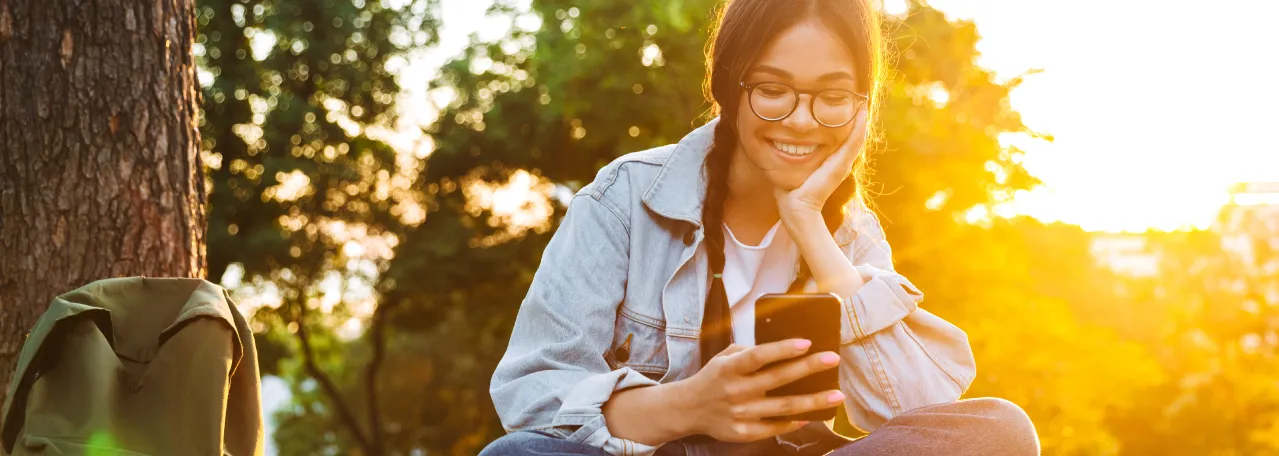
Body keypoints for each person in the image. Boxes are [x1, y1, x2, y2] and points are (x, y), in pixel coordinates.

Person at [479, 0, 1039, 454]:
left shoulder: (851, 234)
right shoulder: (625, 197)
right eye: (772, 89)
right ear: (729, 86)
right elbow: (531, 388)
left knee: (1000, 432)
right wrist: (689, 407)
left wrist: (808, 225)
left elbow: (916, 414)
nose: (800, 118)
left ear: (861, 107)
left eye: (833, 96)